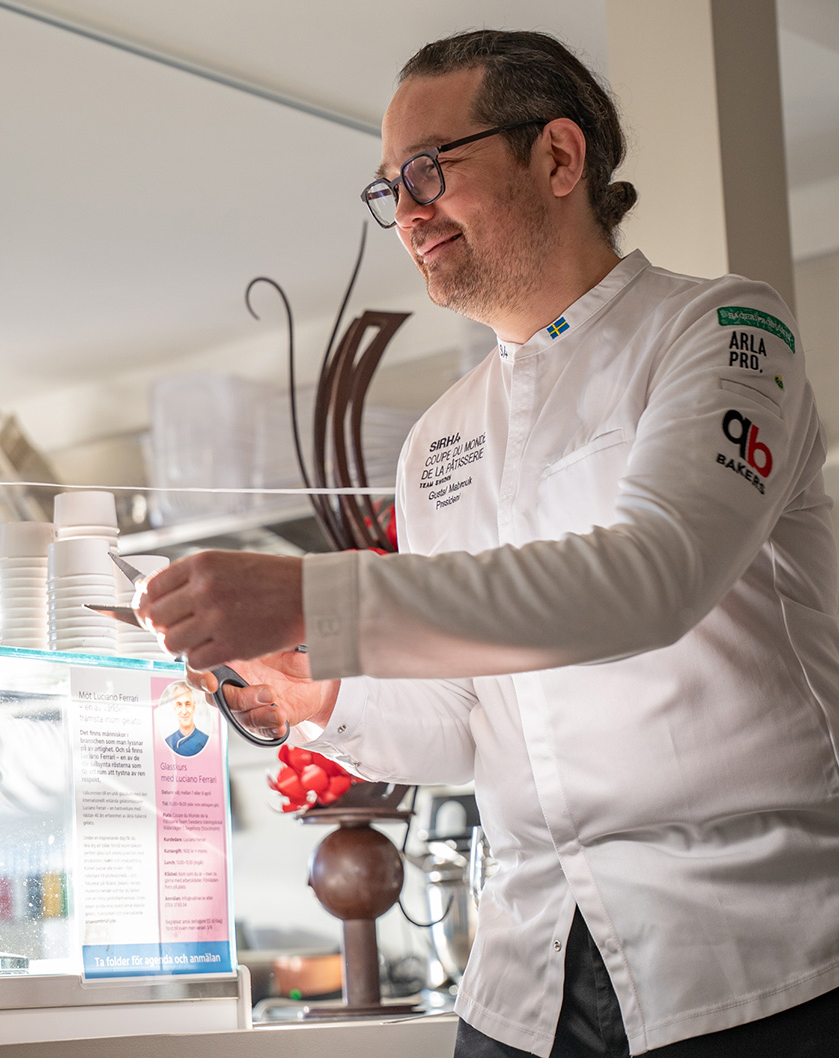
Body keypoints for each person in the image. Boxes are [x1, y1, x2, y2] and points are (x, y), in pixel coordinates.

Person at [137, 29, 839, 1057]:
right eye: (390, 189)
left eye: (428, 170)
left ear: (558, 157)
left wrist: (311, 598)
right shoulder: (438, 439)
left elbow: (653, 580)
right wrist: (317, 697)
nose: (407, 212)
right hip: (526, 975)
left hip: (750, 956)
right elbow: (462, 727)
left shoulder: (725, 330)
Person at [162, 681, 209, 757]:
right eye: (179, 705)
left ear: (193, 706)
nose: (184, 711)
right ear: (174, 708)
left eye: (188, 704)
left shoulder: (205, 741)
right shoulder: (167, 742)